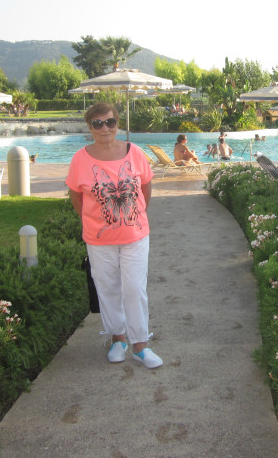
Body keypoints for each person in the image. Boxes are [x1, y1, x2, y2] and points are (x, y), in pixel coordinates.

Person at [66, 103, 163, 369]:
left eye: (110, 122)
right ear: (89, 127)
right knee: (107, 288)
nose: (105, 128)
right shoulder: (80, 159)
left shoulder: (135, 153)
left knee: (135, 289)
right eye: (97, 123)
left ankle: (140, 345)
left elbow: (146, 188)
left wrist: (133, 218)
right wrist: (92, 219)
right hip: (99, 239)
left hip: (135, 236)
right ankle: (118, 339)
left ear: (117, 124)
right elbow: (76, 195)